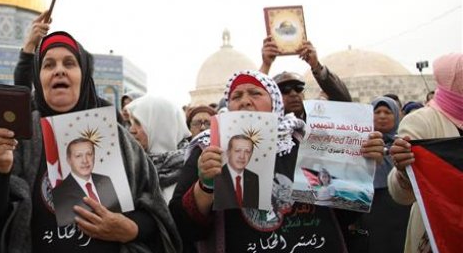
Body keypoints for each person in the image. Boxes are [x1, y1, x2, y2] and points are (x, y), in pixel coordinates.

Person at [0, 30, 180, 252]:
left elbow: (156, 211)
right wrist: (0, 170)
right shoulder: (19, 138)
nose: (59, 70)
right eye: (49, 65)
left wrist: (132, 228)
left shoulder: (118, 139)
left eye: (69, 63)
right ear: (38, 78)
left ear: (83, 76)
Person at [170, 70, 385, 253]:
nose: (245, 100)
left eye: (255, 93)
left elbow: (345, 213)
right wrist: (205, 186)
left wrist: (359, 167)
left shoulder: (305, 140)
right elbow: (184, 226)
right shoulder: (209, 149)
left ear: (274, 101)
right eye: (236, 96)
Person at [389, 53, 462, 253]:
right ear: (453, 81)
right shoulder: (421, 121)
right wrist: (403, 171)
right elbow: (402, 194)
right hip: (438, 231)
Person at [346, 96, 410, 252]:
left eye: (388, 112)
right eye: (377, 112)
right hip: (369, 213)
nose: (382, 116)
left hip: (400, 212)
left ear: (397, 115)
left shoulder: (404, 146)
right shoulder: (357, 147)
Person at [261, 37, 351, 119]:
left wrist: (315, 65)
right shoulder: (270, 127)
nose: (293, 94)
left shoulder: (317, 119)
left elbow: (345, 101)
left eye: (298, 88)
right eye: (285, 90)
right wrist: (266, 65)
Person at [127, 94, 191, 203]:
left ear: (160, 126)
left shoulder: (193, 168)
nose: (131, 130)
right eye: (131, 123)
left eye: (138, 123)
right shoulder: (129, 164)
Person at [52, 138, 122, 227]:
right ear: (69, 160)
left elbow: (117, 212)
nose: (85, 161)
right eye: (78, 156)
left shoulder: (105, 180)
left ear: (94, 156)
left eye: (89, 154)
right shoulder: (59, 192)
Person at [213, 135, 259, 209]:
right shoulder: (216, 175)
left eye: (247, 152)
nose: (242, 156)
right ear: (228, 152)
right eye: (237, 151)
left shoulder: (254, 178)